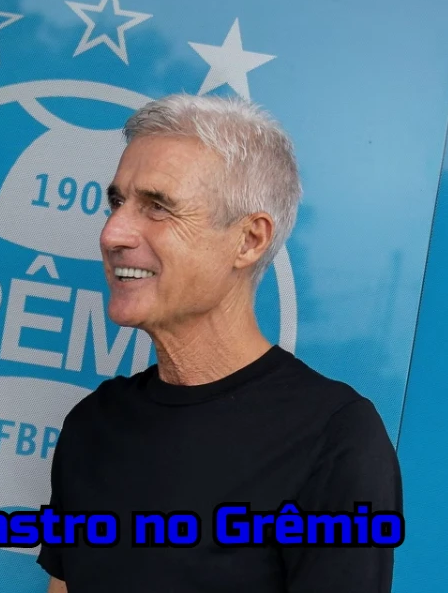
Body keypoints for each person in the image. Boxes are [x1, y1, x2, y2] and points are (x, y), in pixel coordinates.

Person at [37, 94, 402, 593]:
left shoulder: (335, 439)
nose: (112, 232)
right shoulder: (94, 423)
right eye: (117, 202)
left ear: (249, 240)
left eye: (158, 207)